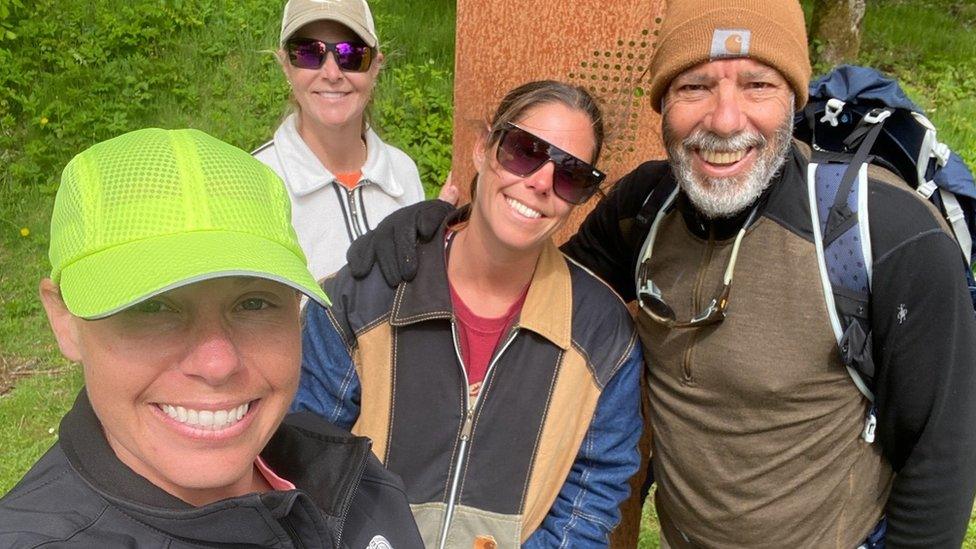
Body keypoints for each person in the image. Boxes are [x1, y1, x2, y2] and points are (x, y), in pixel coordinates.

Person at [344, 1, 976, 546]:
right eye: (695, 87)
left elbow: (943, 454)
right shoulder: (646, 208)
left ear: (794, 98)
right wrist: (438, 230)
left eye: (757, 85)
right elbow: (536, 276)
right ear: (663, 106)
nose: (725, 120)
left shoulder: (885, 236)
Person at [0, 128, 424, 548]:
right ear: (64, 321)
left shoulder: (349, 477)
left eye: (254, 303)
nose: (217, 364)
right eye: (152, 308)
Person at [294, 80, 643, 547]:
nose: (540, 182)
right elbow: (309, 453)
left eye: (571, 174)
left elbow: (591, 495)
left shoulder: (602, 335)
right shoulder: (367, 294)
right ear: (483, 147)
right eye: (525, 150)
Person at [253, 0, 433, 281]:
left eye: (352, 55)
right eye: (309, 53)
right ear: (285, 65)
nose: (332, 74)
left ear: (375, 67)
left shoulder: (403, 173)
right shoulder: (256, 182)